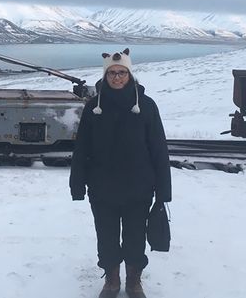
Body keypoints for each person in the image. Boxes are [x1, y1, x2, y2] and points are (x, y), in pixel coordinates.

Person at [70, 48, 172, 298]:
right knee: (106, 236)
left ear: (129, 74)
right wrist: (77, 184)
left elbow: (159, 148)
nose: (117, 77)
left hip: (139, 188)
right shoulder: (94, 107)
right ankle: (112, 282)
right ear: (106, 76)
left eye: (121, 73)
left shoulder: (146, 106)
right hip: (102, 188)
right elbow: (82, 146)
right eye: (112, 73)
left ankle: (134, 282)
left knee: (135, 237)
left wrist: (163, 190)